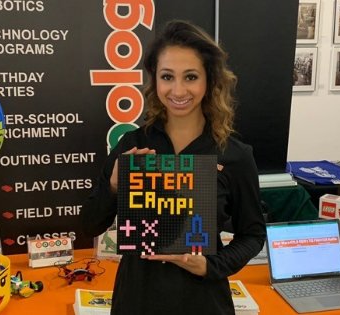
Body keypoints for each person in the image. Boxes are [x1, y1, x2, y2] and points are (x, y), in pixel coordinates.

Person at [79, 20, 267, 315]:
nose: (178, 90)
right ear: (155, 80)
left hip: (203, 302)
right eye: (167, 76)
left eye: (191, 77)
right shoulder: (132, 144)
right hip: (137, 300)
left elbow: (253, 235)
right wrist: (114, 183)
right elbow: (89, 225)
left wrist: (210, 265)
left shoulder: (234, 155)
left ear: (209, 80)